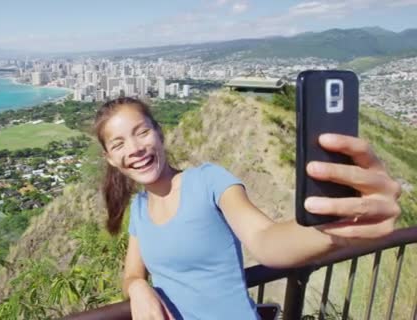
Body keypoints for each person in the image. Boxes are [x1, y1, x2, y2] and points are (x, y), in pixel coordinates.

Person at [93, 97, 402, 320]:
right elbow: (133, 272)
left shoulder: (208, 180)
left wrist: (336, 231)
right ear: (110, 158)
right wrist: (139, 290)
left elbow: (265, 238)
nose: (134, 149)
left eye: (142, 132)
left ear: (159, 133)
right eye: (118, 144)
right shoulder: (140, 208)